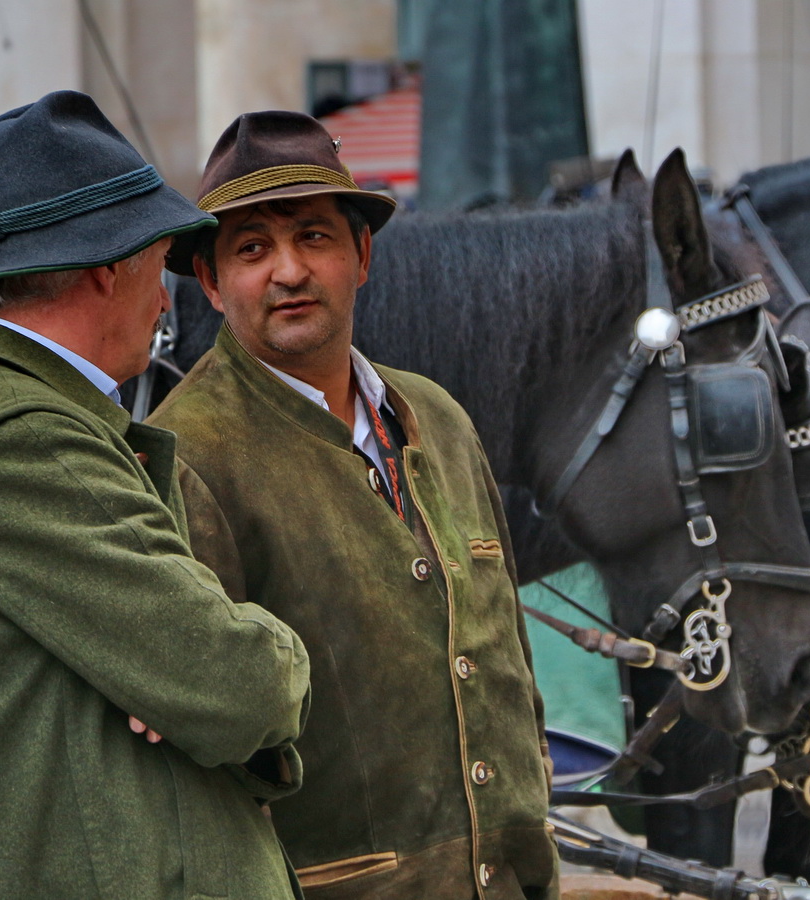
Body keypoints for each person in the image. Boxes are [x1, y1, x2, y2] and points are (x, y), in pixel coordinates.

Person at [0, 92, 311, 900]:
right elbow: (236, 685)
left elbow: (196, 685)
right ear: (111, 267)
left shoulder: (11, 416)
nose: (167, 300)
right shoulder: (18, 435)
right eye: (159, 264)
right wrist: (266, 658)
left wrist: (173, 687)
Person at [150, 110, 558, 900]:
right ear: (209, 281)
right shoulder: (188, 457)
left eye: (313, 237)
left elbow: (506, 651)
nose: (289, 272)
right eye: (252, 249)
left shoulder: (437, 416)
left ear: (361, 255)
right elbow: (203, 753)